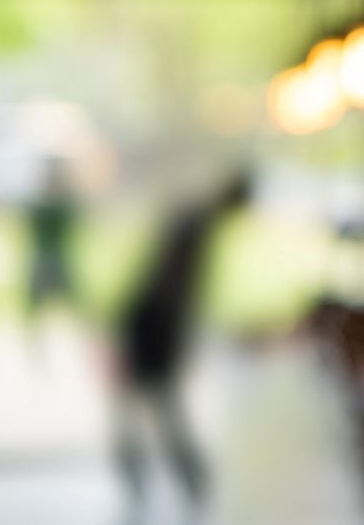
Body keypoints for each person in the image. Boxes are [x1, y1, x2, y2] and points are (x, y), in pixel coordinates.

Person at [113, 171, 250, 518]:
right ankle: (176, 475)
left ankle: (169, 475)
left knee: (151, 403)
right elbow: (174, 283)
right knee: (151, 403)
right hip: (154, 321)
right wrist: (175, 337)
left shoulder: (198, 220)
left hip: (154, 319)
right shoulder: (198, 225)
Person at [26, 157, 78, 316]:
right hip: (45, 253)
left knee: (67, 294)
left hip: (55, 253)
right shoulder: (46, 205)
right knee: (38, 295)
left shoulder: (59, 205)